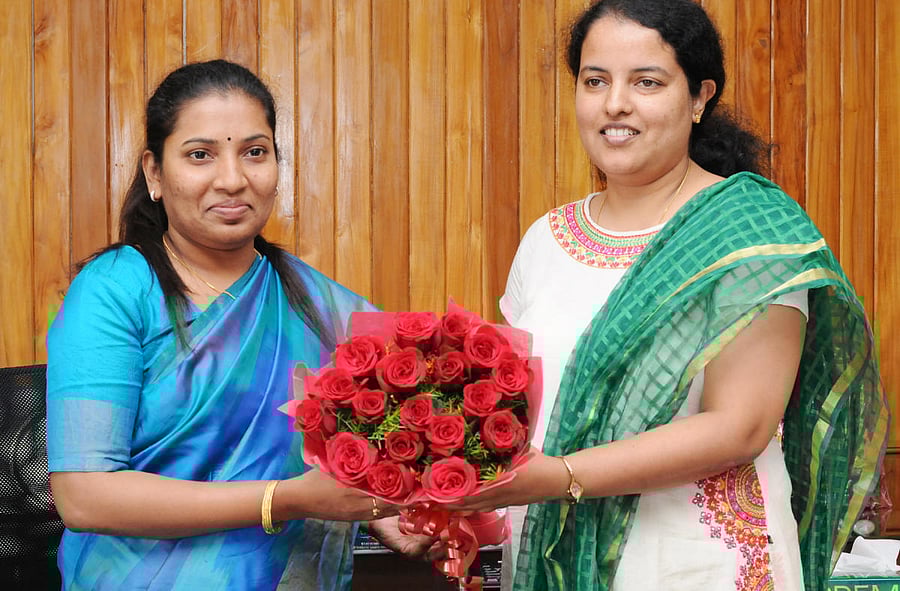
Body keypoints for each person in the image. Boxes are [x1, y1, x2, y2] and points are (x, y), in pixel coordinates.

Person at [447, 1, 889, 590]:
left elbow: (740, 427)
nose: (614, 104)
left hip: (699, 559)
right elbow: (515, 407)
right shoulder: (546, 239)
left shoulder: (745, 233)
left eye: (646, 82)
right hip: (552, 547)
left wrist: (561, 476)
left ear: (700, 97)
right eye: (594, 80)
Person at [46, 59, 429, 590]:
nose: (233, 179)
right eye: (200, 155)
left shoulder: (323, 307)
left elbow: (349, 459)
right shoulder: (114, 290)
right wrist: (284, 498)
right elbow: (84, 495)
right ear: (154, 173)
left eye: (255, 152)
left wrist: (386, 511)